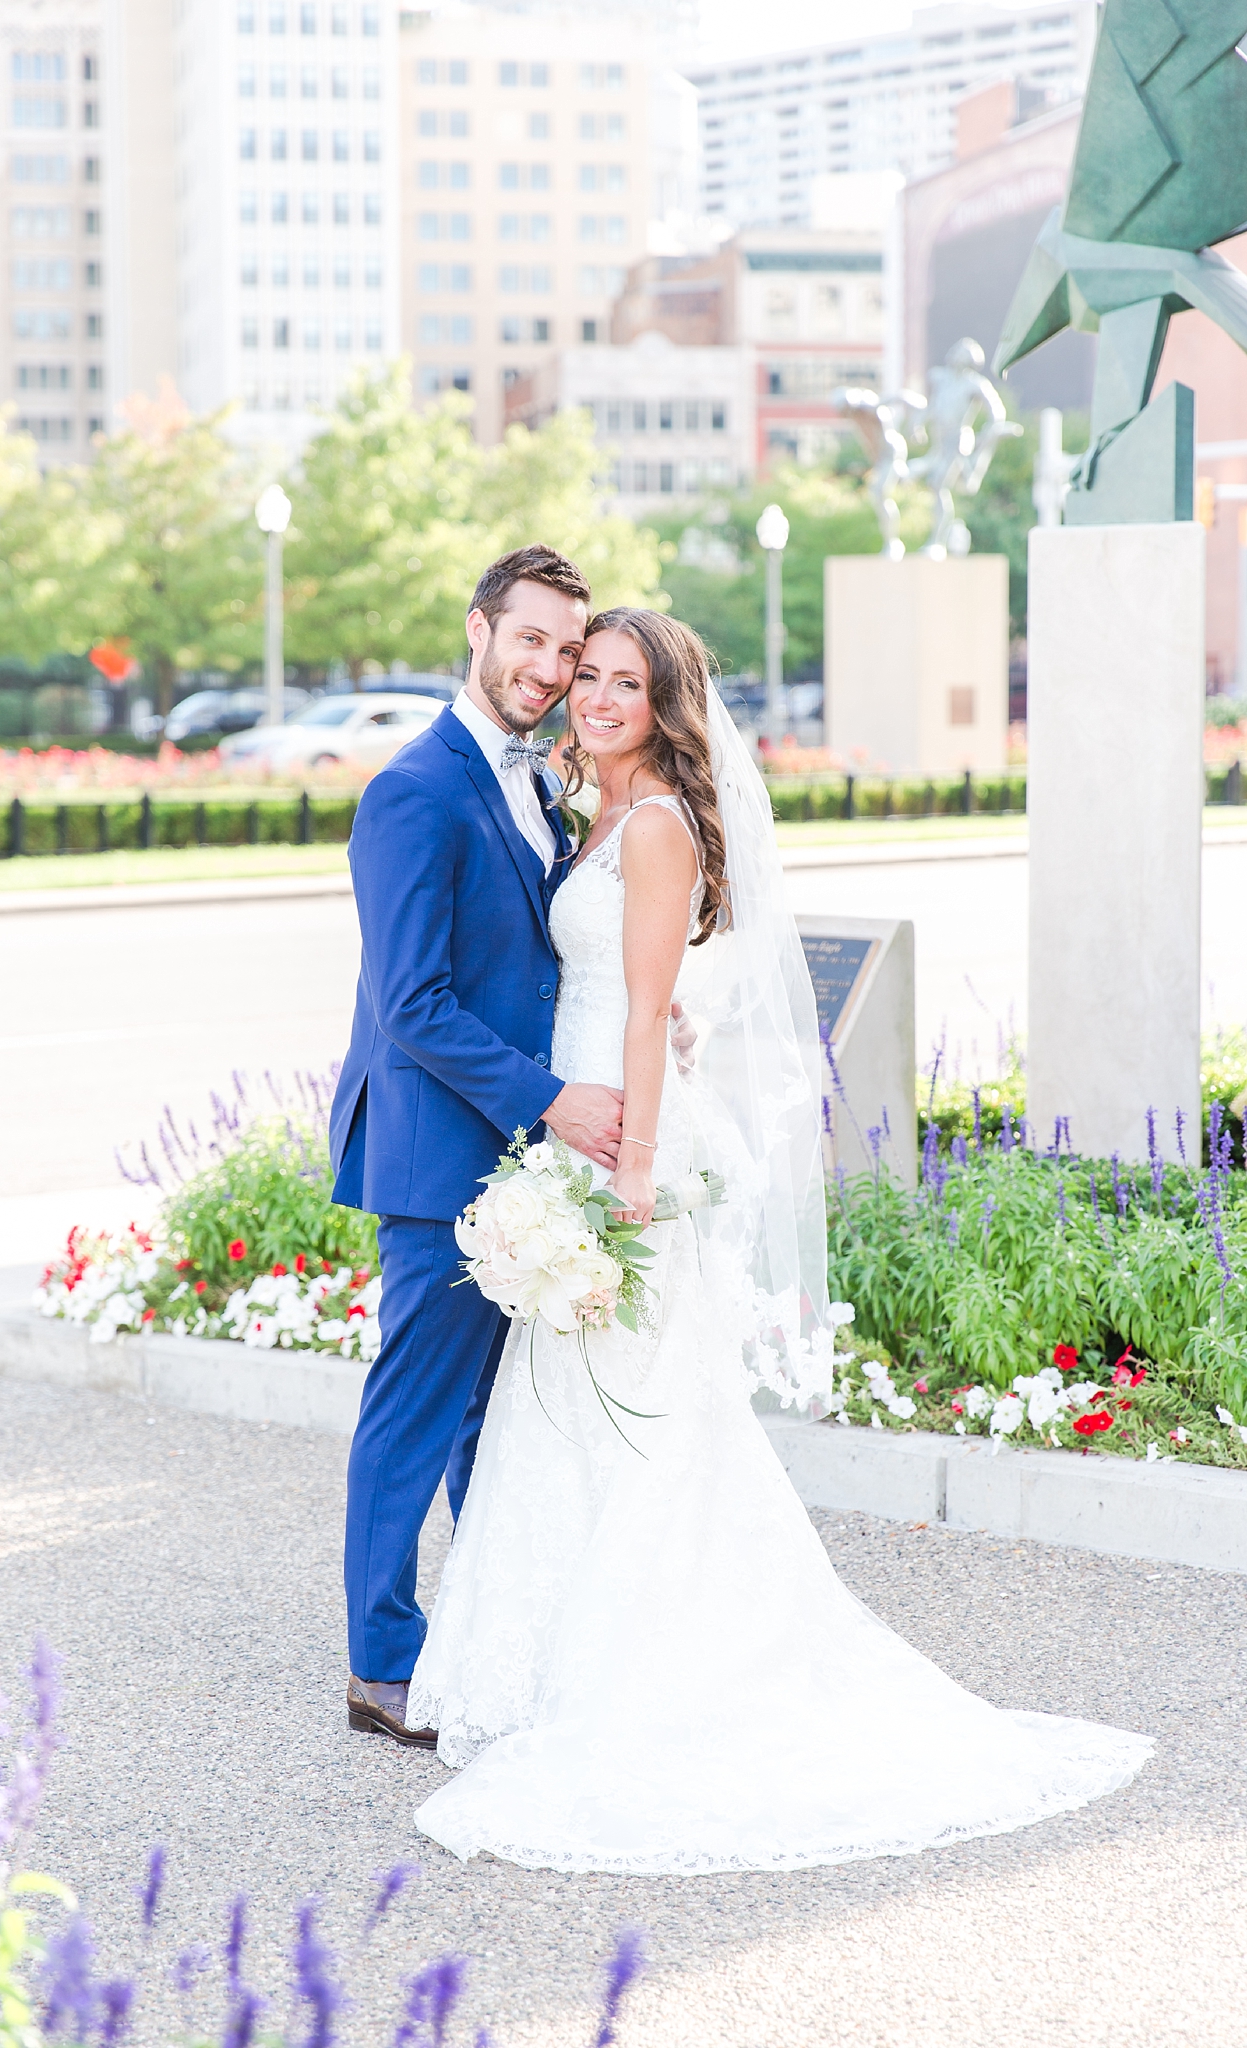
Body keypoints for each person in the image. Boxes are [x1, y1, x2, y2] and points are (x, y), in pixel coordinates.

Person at [406, 607, 1153, 1874]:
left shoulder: (653, 826)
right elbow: (632, 998)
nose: (591, 696)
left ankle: (654, 1671)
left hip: (620, 1152)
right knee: (581, 1414)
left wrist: (631, 1174)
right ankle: (558, 1666)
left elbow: (646, 1013)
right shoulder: (597, 812)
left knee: (636, 1413)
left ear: (664, 704)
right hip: (583, 1123)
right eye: (583, 674)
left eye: (621, 682)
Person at [329, 545, 630, 1749]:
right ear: (478, 630)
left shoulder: (531, 778)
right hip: (441, 1150)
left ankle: (490, 1635)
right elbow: (414, 1002)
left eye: (568, 650)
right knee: (416, 1409)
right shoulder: (415, 788)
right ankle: (381, 1661)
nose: (551, 670)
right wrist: (556, 1098)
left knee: (489, 1416)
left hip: (512, 1154)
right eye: (532, 641)